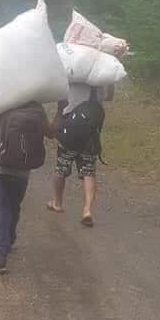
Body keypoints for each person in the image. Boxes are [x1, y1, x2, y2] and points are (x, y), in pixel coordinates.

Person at [0, 95, 54, 275]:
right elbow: (51, 133)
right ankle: (9, 240)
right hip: (23, 169)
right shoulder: (35, 107)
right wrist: (62, 108)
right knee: (13, 207)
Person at [47, 83, 114, 227]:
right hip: (90, 134)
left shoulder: (73, 78)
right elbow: (109, 97)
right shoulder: (100, 78)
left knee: (61, 167)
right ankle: (87, 210)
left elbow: (61, 98)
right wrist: (110, 83)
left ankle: (57, 202)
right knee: (88, 171)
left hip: (69, 129)